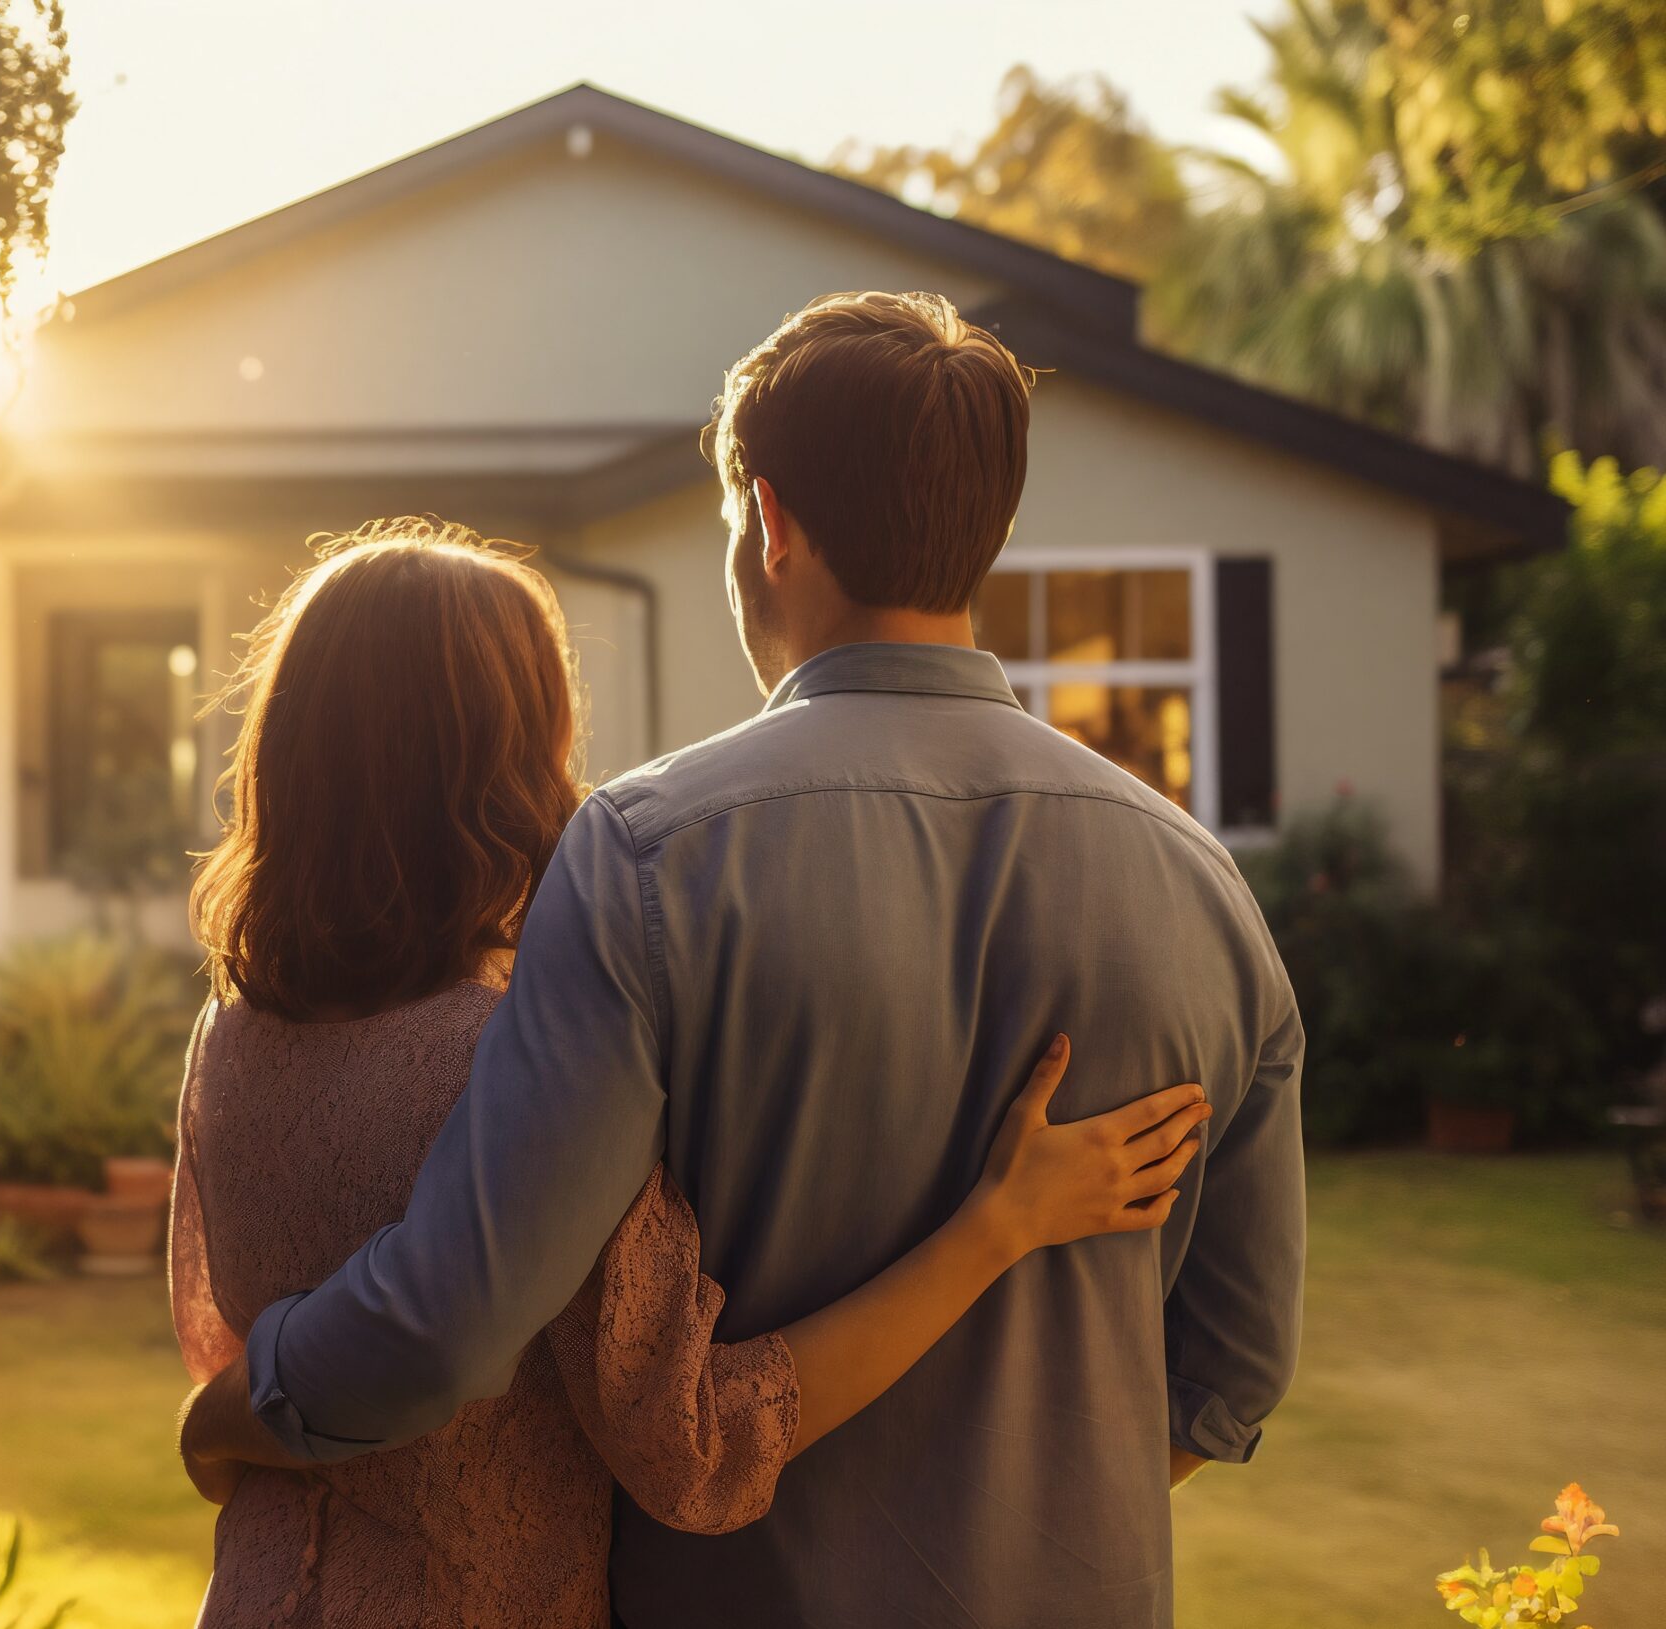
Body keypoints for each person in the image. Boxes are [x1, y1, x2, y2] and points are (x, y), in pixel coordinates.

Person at [181, 291, 1307, 1629]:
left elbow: (460, 1311)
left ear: (768, 524)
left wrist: (237, 1413)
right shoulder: (1205, 888)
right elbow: (1235, 1368)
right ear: (985, 531)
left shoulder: (648, 858)